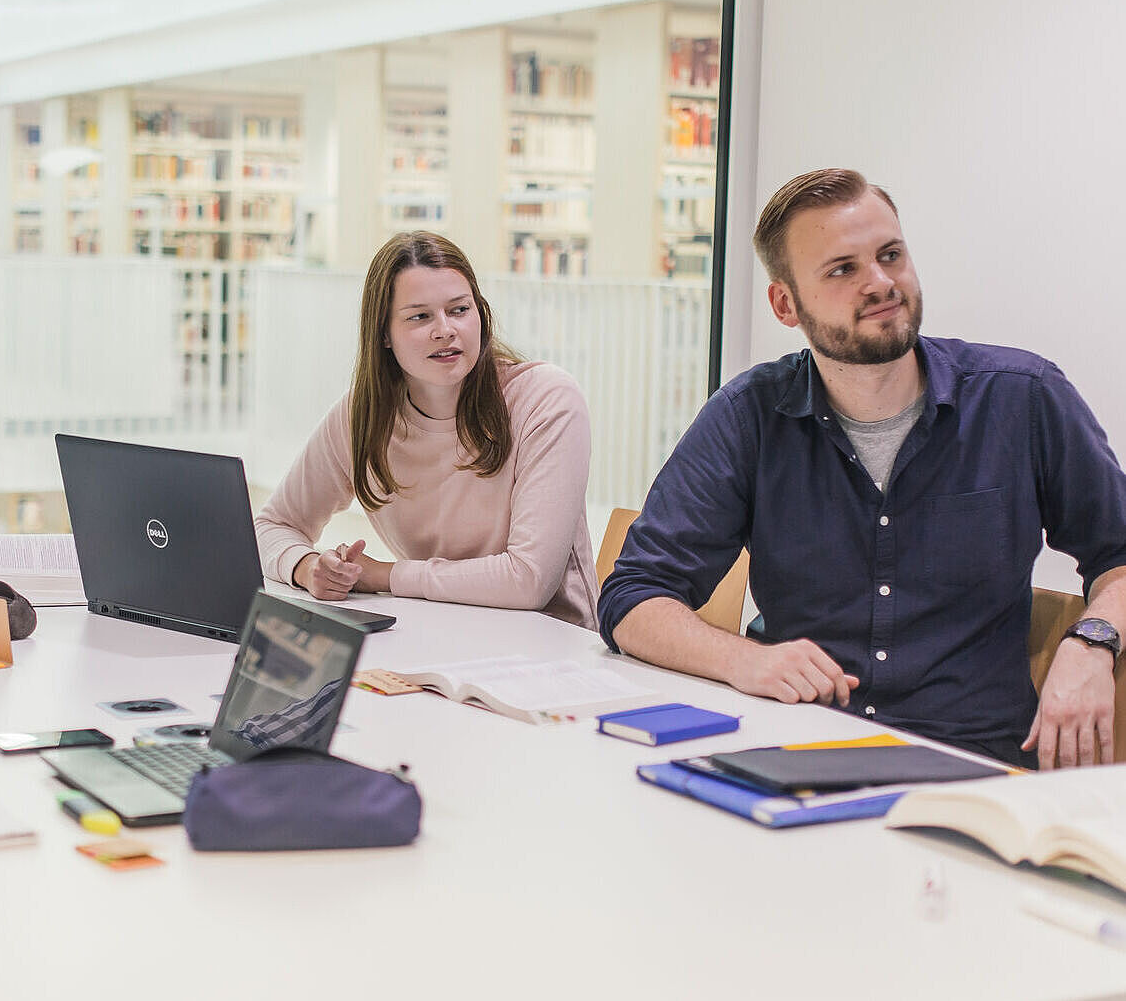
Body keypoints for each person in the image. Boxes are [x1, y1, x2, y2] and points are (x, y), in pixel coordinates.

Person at [599, 168, 1126, 769]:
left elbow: (1119, 551)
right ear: (785, 304)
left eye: (890, 255)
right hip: (790, 749)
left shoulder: (1022, 399)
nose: (880, 283)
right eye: (843, 269)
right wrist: (745, 660)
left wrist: (1093, 643)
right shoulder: (750, 415)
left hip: (966, 767)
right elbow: (633, 597)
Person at [254, 231, 597, 624]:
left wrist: (384, 575)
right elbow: (273, 525)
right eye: (419, 316)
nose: (445, 330)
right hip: (434, 634)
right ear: (383, 333)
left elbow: (529, 580)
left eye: (459, 310)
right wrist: (308, 567)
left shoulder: (545, 399)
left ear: (480, 315)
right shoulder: (363, 415)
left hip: (550, 651)